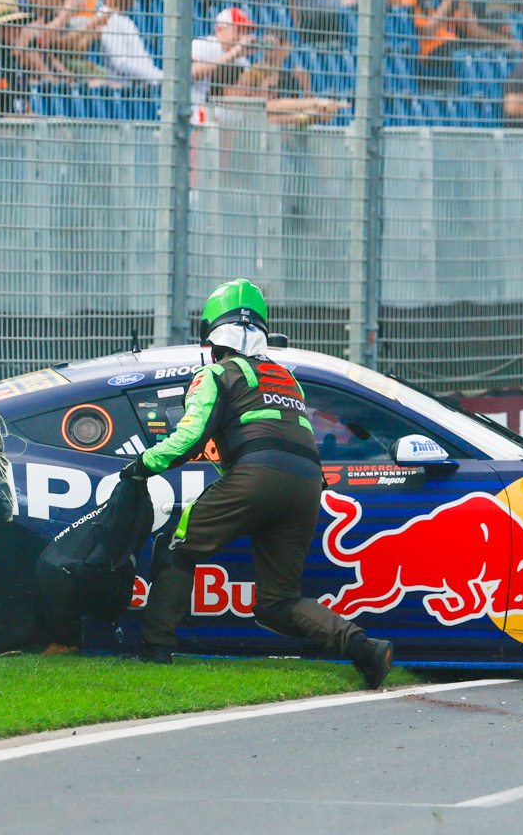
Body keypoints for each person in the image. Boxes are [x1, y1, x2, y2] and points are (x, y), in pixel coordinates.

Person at [121, 279, 393, 687]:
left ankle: (155, 651)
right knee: (277, 602)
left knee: (178, 544)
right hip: (306, 486)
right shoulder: (287, 379)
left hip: (255, 476)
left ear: (213, 337)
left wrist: (142, 464)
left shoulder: (215, 374)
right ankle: (363, 648)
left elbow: (190, 436)